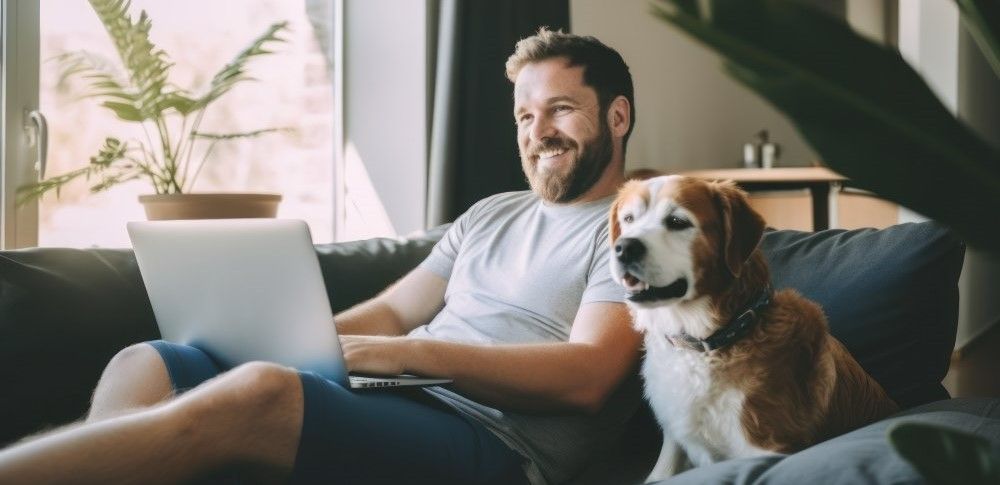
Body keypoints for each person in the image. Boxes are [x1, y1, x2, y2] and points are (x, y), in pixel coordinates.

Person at [0, 28, 640, 485]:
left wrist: (410, 355)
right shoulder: (491, 213)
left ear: (616, 116)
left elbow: (587, 378)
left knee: (263, 390)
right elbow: (394, 310)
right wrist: (297, 340)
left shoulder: (637, 228)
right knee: (152, 362)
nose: (538, 132)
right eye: (525, 116)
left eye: (561, 109)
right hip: (395, 398)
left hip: (495, 443)